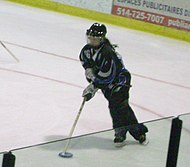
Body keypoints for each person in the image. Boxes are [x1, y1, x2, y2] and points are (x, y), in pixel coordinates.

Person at [79, 23, 148, 146]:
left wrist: (93, 87)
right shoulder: (86, 50)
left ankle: (125, 132)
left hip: (120, 80)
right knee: (121, 107)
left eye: (95, 38)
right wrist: (89, 72)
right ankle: (136, 131)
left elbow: (107, 76)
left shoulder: (107, 52)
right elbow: (86, 63)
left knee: (117, 105)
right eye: (90, 37)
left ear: (102, 38)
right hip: (105, 84)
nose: (92, 40)